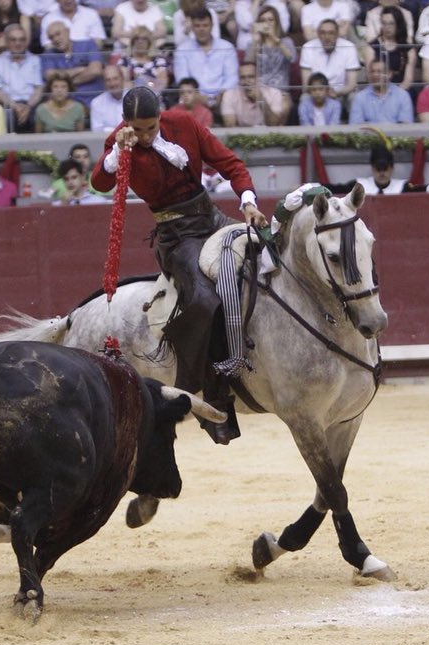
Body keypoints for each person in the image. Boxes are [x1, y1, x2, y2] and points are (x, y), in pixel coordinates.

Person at [90, 86, 269, 444]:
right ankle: (205, 391)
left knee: (268, 262)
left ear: (161, 116)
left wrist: (247, 201)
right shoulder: (121, 140)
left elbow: (229, 163)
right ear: (126, 123)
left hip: (211, 218)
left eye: (150, 127)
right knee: (204, 300)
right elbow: (99, 182)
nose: (143, 136)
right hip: (176, 235)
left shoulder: (184, 123)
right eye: (136, 129)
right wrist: (116, 154)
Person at [173, 6, 238, 108]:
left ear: (212, 26)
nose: (201, 29)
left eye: (205, 25)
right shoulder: (182, 50)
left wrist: (221, 94)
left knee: (231, 98)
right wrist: (198, 96)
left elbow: (232, 78)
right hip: (193, 97)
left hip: (223, 97)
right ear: (192, 28)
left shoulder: (227, 47)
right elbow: (182, 79)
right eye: (197, 26)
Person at [323, 145, 429, 195]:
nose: (382, 173)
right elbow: (335, 188)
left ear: (392, 168)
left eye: (385, 168)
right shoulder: (359, 185)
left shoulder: (402, 187)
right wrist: (310, 187)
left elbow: (422, 189)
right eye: (378, 169)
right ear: (372, 168)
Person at [0, 23, 43, 132]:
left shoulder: (35, 60)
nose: (18, 43)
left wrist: (28, 107)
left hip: (31, 104)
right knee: (7, 116)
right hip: (7, 104)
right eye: (13, 40)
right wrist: (15, 106)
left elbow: (39, 89)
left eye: (22, 40)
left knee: (39, 113)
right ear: (6, 42)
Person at [41, 20, 104, 108]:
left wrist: (66, 82)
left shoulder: (88, 44)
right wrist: (79, 69)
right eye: (51, 37)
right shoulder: (48, 54)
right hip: (65, 104)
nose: (55, 39)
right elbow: (50, 76)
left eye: (58, 34)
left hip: (94, 99)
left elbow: (95, 70)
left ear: (67, 31)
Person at [299, 19, 361, 103]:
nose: (327, 37)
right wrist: (322, 93)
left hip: (341, 93)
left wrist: (337, 93)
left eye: (331, 33)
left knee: (354, 97)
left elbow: (351, 84)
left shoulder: (349, 47)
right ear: (318, 34)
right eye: (323, 33)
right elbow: (306, 84)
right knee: (305, 98)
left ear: (337, 34)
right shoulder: (307, 48)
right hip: (316, 93)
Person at [219, 60, 291, 127]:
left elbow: (274, 124)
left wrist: (261, 99)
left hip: (268, 135)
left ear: (258, 78)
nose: (247, 81)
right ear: (238, 79)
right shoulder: (229, 95)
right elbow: (230, 126)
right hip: (242, 136)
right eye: (243, 77)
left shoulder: (274, 93)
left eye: (251, 77)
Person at [244, 5, 296, 91]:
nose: (267, 23)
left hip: (280, 90)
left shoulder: (286, 41)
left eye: (270, 20)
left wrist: (275, 39)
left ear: (277, 22)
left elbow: (293, 59)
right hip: (259, 92)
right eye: (263, 20)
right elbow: (248, 65)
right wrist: (256, 41)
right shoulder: (253, 43)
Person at [369, 5, 417, 92]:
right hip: (378, 91)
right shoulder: (372, 48)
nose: (387, 28)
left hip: (402, 92)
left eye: (391, 23)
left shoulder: (409, 50)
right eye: (384, 23)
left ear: (398, 24)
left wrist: (394, 96)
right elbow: (370, 77)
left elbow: (408, 81)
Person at [348, 59, 413, 124]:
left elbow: (405, 124)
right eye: (372, 72)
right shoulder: (360, 97)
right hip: (368, 134)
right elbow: (356, 125)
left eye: (379, 72)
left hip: (396, 133)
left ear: (389, 74)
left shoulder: (402, 95)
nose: (375, 75)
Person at [117, 25, 169, 95]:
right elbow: (122, 84)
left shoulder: (159, 61)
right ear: (132, 42)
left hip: (153, 98)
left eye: (144, 39)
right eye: (136, 38)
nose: (140, 42)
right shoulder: (124, 61)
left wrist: (141, 80)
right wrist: (149, 82)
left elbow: (162, 84)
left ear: (149, 42)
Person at [40, 0, 107, 49]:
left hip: (88, 58)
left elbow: (99, 43)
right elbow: (47, 46)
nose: (67, 1)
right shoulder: (48, 19)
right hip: (60, 61)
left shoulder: (91, 14)